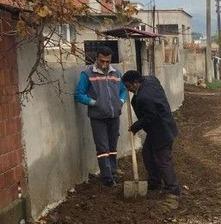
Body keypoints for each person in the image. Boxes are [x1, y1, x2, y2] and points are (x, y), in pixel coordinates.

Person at [121, 70, 181, 198]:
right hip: (161, 126)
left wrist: (135, 127)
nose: (128, 90)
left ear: (136, 83)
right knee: (147, 153)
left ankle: (173, 188)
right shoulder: (150, 80)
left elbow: (150, 117)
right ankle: (155, 181)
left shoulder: (144, 98)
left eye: (128, 86)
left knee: (163, 159)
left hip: (161, 131)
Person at [75, 46, 127, 186]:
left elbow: (124, 91)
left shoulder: (116, 73)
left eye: (107, 61)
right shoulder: (87, 74)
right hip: (98, 117)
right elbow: (79, 94)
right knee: (103, 148)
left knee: (112, 146)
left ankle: (113, 171)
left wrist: (120, 102)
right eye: (101, 61)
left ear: (110, 60)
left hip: (114, 115)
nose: (104, 64)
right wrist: (94, 103)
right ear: (97, 58)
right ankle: (107, 178)